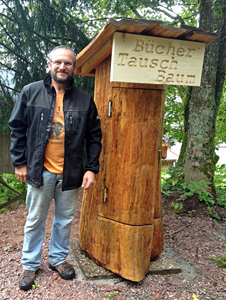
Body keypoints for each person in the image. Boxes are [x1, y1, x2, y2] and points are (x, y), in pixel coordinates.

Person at [8, 45, 102, 291]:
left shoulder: (84, 98)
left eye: (68, 63)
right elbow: (16, 128)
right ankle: (30, 263)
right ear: (49, 65)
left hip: (71, 172)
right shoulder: (31, 92)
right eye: (58, 62)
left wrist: (91, 168)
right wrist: (19, 162)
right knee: (35, 218)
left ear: (74, 68)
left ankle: (58, 259)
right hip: (40, 170)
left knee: (65, 219)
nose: (63, 67)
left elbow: (94, 136)